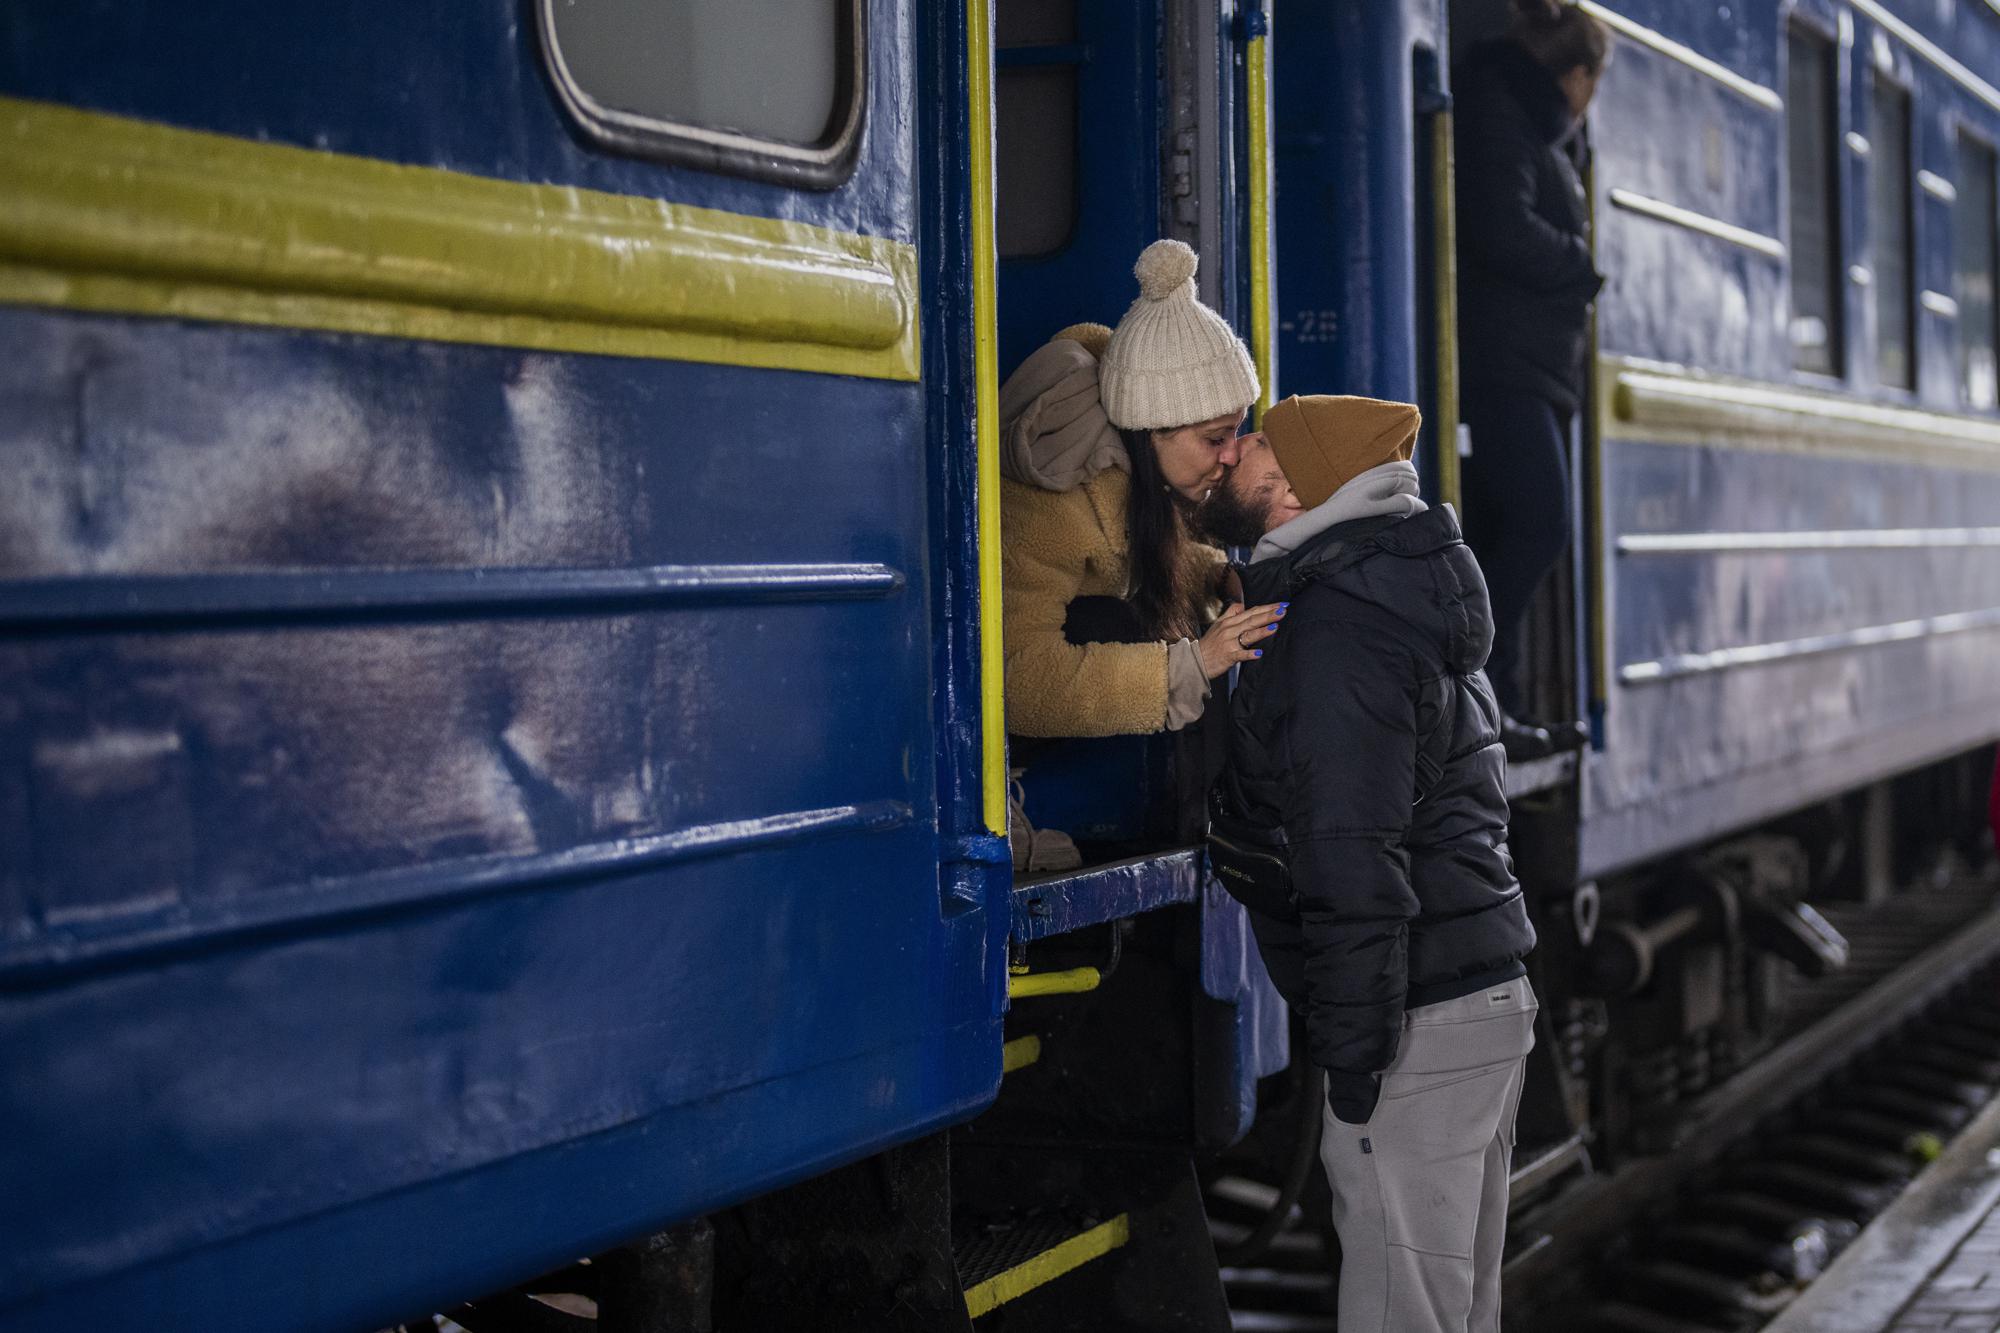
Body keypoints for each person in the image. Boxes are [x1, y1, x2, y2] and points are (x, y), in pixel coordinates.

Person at [1201, 396, 1538, 1333]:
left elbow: (1354, 864)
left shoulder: (1336, 632)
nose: (1233, 453)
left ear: (1302, 487)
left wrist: (1353, 1063)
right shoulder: (1388, 592)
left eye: (1258, 443)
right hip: (1475, 998)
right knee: (1454, 1313)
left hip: (1414, 1024)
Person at [998, 239, 1281, 742]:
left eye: (1236, 434)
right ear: (1153, 431)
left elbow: (1146, 548)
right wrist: (1196, 663)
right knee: (1129, 624)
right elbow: (1015, 677)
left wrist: (1220, 578)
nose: (1232, 455)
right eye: (1215, 438)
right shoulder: (1053, 496)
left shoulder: (1140, 469)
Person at [1454, 0, 1610, 758]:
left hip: (1527, 365)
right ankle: (1479, 689)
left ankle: (1496, 704)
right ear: (1575, 75)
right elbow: (1499, 225)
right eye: (1592, 85)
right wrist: (1580, 265)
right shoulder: (1503, 112)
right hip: (1506, 365)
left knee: (1507, 528)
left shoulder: (1524, 119)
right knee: (1537, 522)